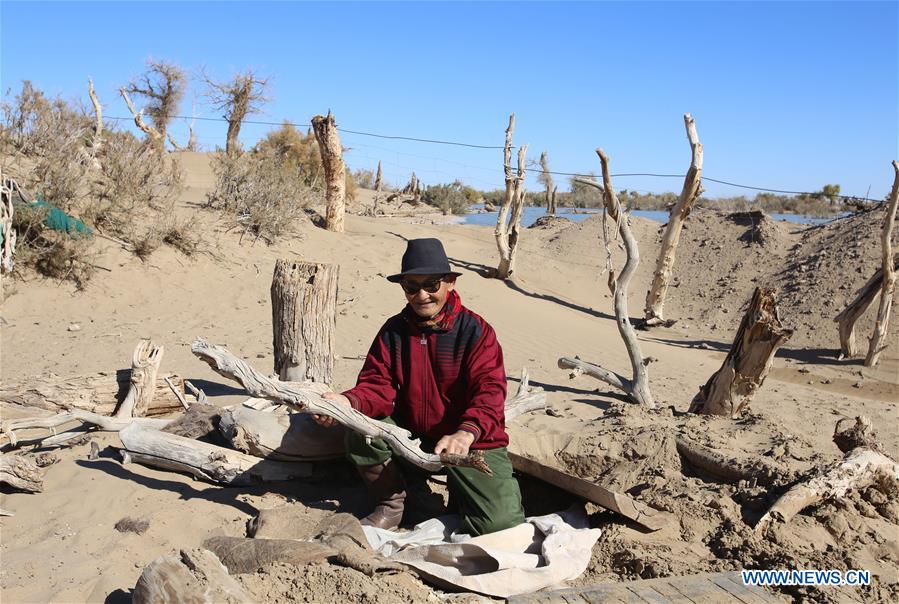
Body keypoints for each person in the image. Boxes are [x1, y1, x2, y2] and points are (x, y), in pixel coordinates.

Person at [314, 238, 525, 536]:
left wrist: (466, 432)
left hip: (469, 438)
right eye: (412, 287)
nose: (422, 295)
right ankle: (393, 504)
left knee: (500, 526)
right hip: (412, 435)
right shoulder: (393, 331)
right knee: (361, 430)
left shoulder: (476, 331)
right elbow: (377, 386)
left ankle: (463, 497)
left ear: (450, 283)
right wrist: (347, 403)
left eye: (431, 284)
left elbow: (489, 393)